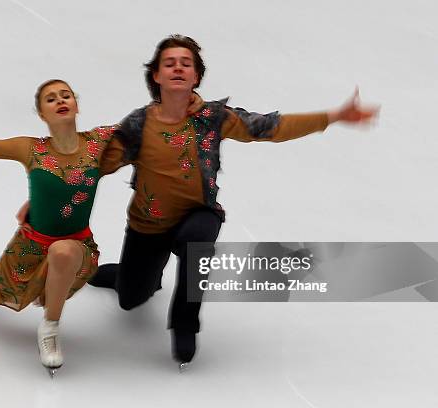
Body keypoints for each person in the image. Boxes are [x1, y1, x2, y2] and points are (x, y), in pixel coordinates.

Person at [84, 34, 379, 369]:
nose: (178, 67)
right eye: (170, 63)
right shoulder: (138, 125)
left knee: (198, 244)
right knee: (130, 299)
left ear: (196, 76)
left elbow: (270, 127)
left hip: (198, 214)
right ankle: (132, 279)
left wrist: (334, 115)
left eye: (186, 63)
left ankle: (184, 323)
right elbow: (97, 166)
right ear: (156, 76)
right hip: (148, 223)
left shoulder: (213, 117)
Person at [0, 79, 203, 376]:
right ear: (42, 113)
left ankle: (50, 327)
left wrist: (191, 102)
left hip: (76, 248)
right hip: (28, 247)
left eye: (66, 95)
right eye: (51, 98)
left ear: (76, 106)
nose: (60, 101)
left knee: (62, 251)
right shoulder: (30, 149)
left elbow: (151, 124)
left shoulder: (98, 143)